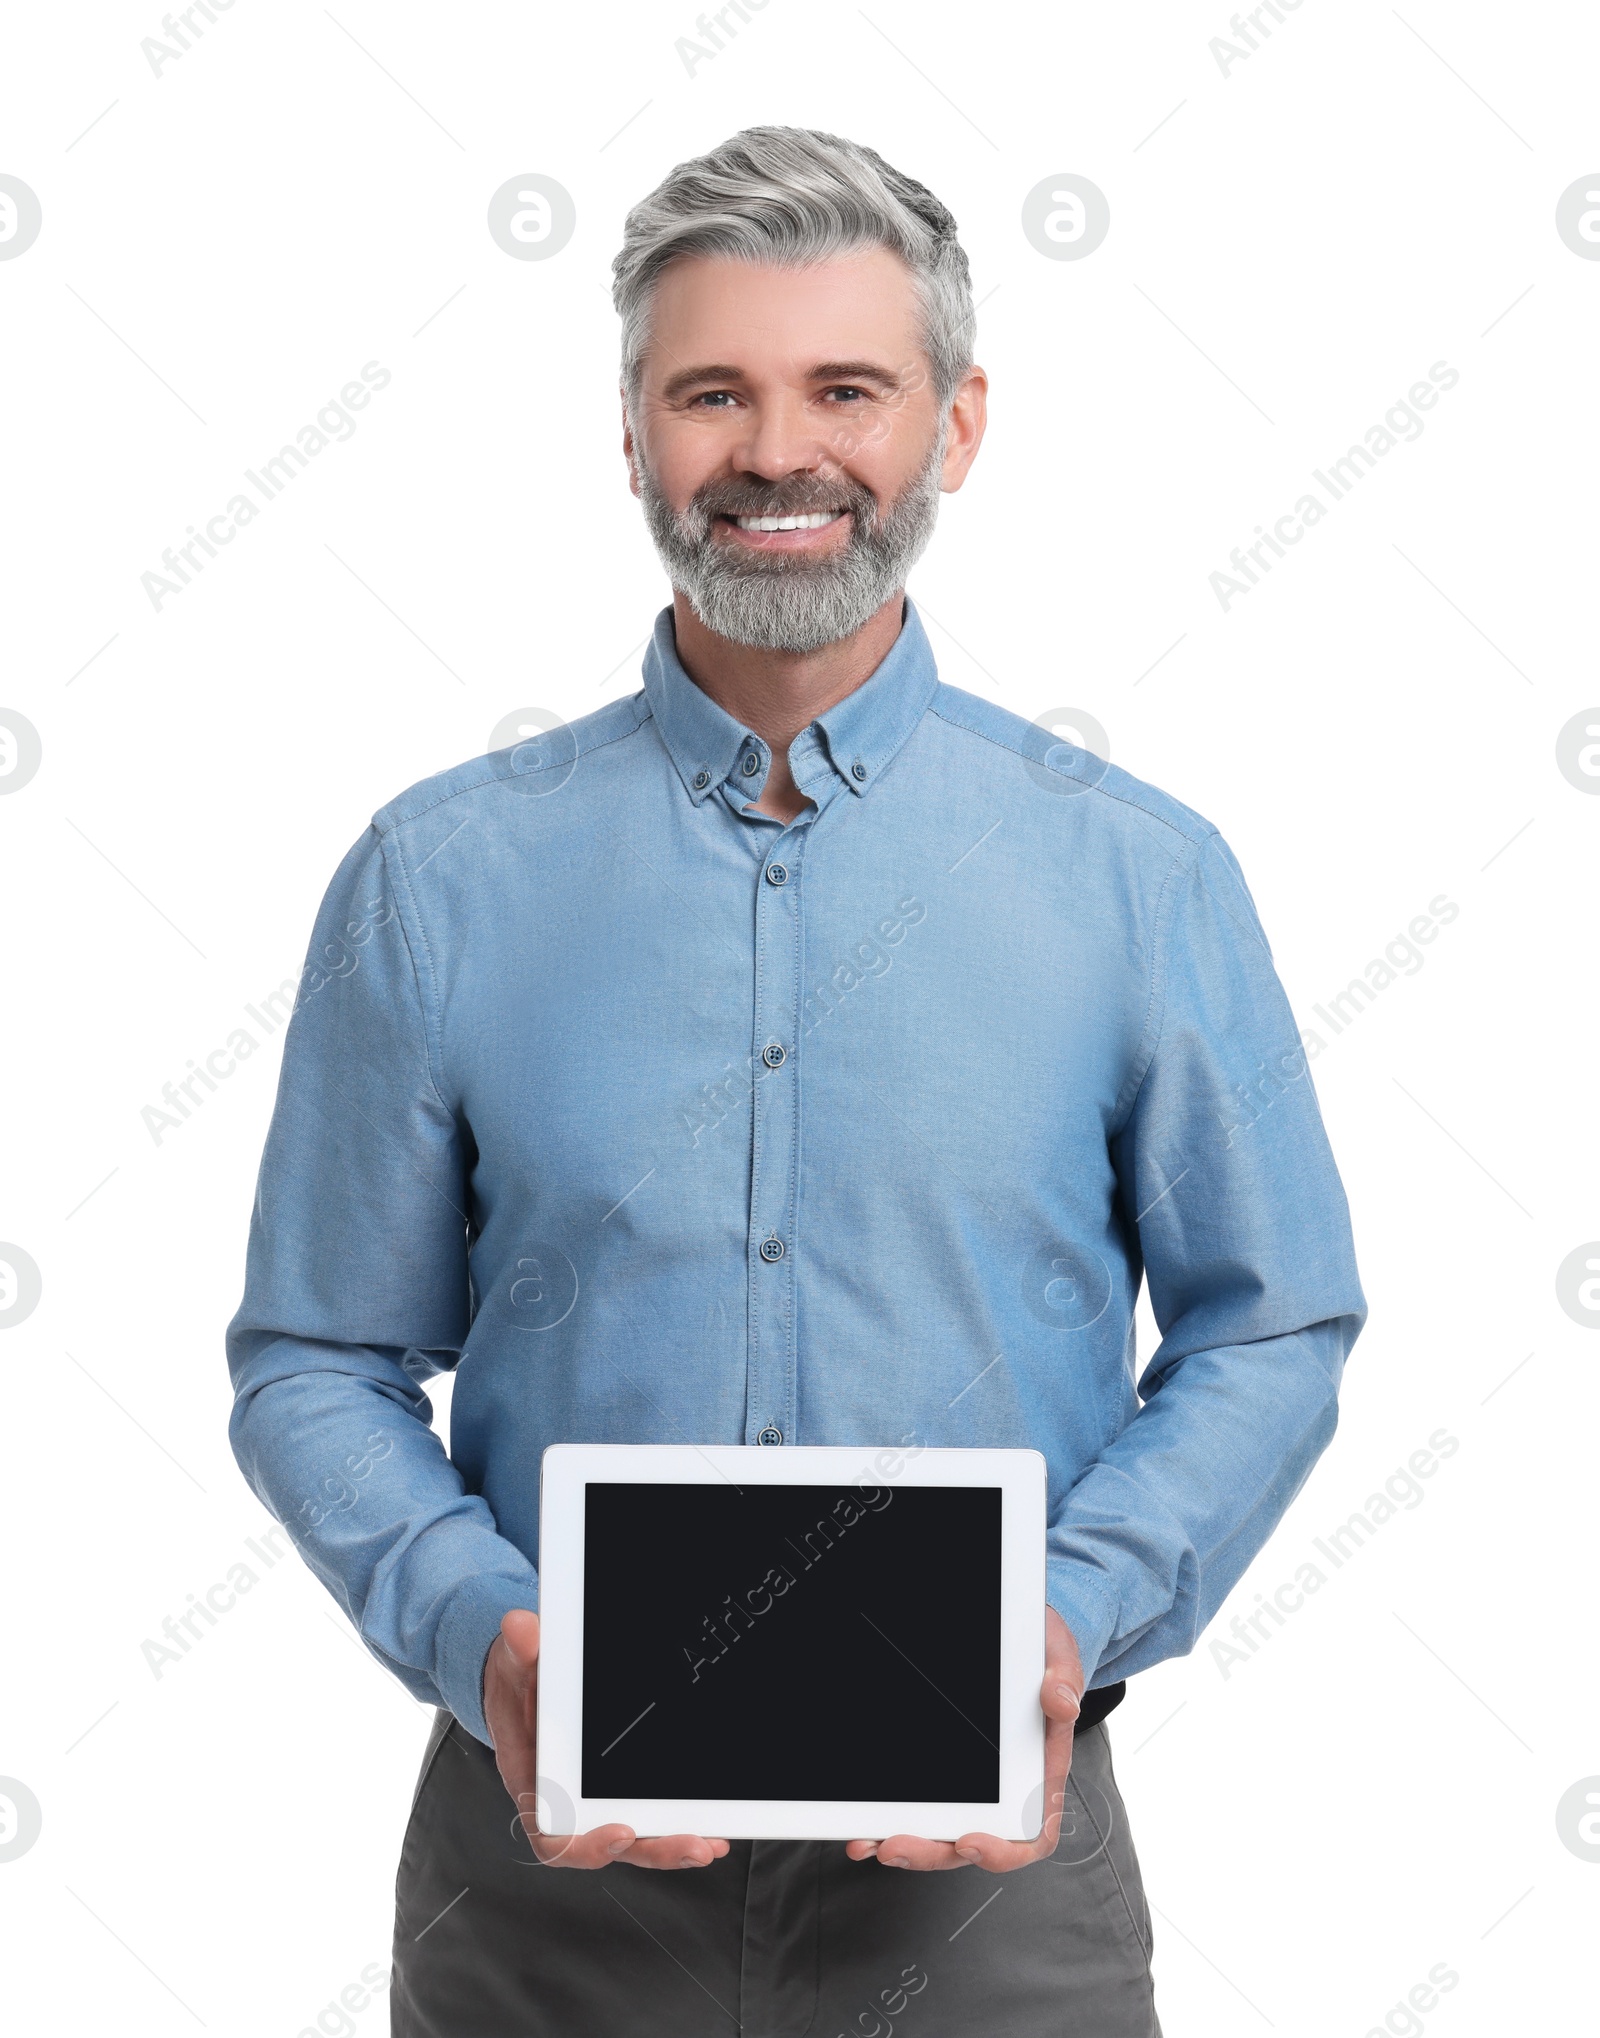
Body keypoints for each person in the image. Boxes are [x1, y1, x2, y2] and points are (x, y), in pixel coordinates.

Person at [225, 124, 1366, 2037]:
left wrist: (1070, 1613)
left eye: (848, 387)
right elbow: (316, 1358)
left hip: (996, 1912)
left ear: (959, 421)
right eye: (711, 391)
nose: (777, 453)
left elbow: (1276, 1325)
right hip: (537, 1895)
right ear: (630, 426)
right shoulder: (440, 880)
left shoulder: (1137, 877)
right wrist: (485, 1634)